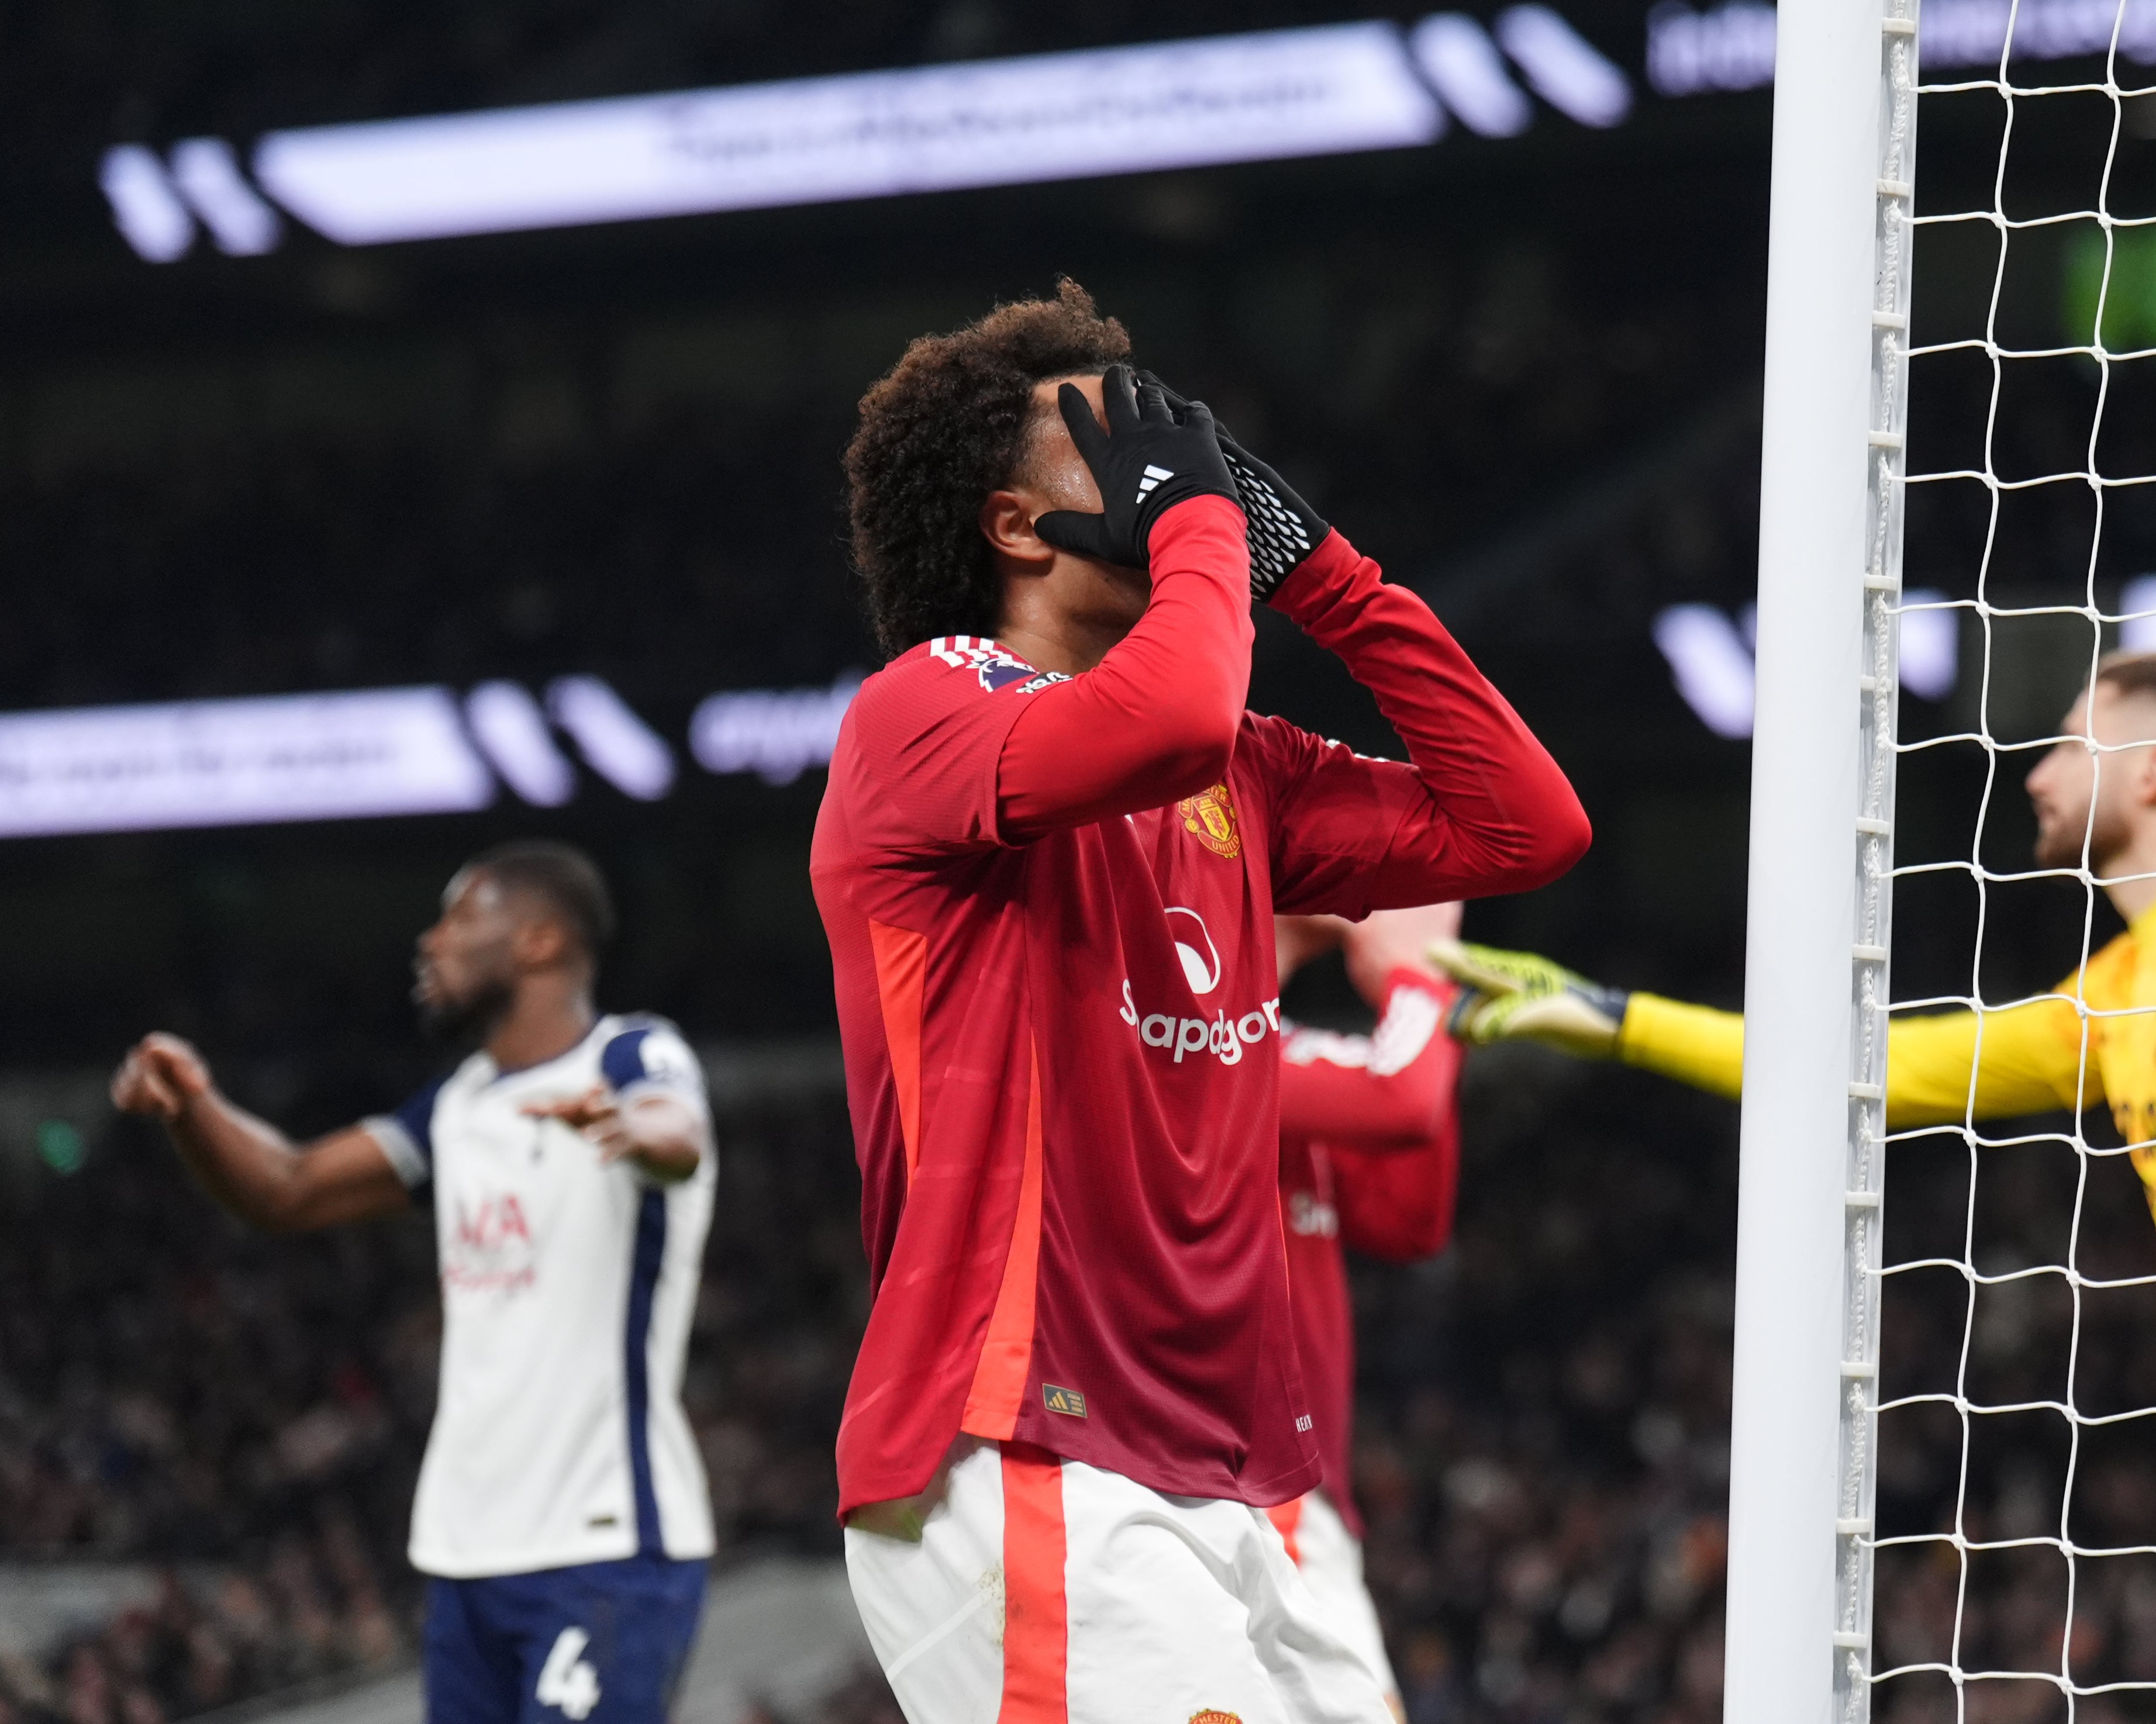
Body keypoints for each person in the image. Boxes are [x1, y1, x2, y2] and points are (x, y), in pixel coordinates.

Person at [1437, 651, 2156, 1724]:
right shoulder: (2125, 987)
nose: (2036, 771)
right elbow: (1876, 1071)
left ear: (2155, 769)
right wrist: (1613, 1018)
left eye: (2072, 743)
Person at [815, 282, 1588, 1722]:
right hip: (1023, 1438)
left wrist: (1330, 578)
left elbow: (1521, 828)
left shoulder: (1239, 768)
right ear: (1017, 526)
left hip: (1222, 1473)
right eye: (1110, 445)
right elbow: (1163, 718)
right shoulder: (917, 712)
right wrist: (1205, 531)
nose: (1165, 459)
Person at [109, 841, 717, 1724]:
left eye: (463, 916)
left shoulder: (631, 1055)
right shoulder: (463, 1103)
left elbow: (679, 1128)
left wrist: (624, 1119)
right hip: (465, 1552)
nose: (431, 940)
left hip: (606, 1546)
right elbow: (288, 1189)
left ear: (542, 940)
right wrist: (193, 1109)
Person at [1269, 903, 1467, 1720]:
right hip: (1214, 1485)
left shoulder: (1296, 1052)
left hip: (1297, 1495)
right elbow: (1398, 1095)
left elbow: (1408, 1219)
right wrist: (1418, 976)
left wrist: (1405, 995)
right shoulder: (1184, 1041)